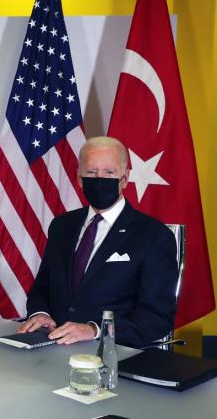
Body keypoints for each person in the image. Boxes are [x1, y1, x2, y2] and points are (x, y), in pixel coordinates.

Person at [17, 136, 177, 348]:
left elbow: (157, 317)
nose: (100, 179)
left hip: (113, 355)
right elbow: (43, 286)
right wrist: (40, 313)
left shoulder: (154, 236)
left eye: (109, 172)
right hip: (52, 347)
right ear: (79, 178)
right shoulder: (62, 226)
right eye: (91, 172)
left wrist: (96, 330)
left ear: (125, 178)